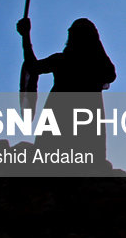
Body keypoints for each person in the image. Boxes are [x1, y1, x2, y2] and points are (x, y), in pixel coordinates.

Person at [16, 17, 117, 171]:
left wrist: (26, 36)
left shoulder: (63, 60)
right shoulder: (97, 67)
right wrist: (26, 36)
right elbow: (33, 67)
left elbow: (33, 66)